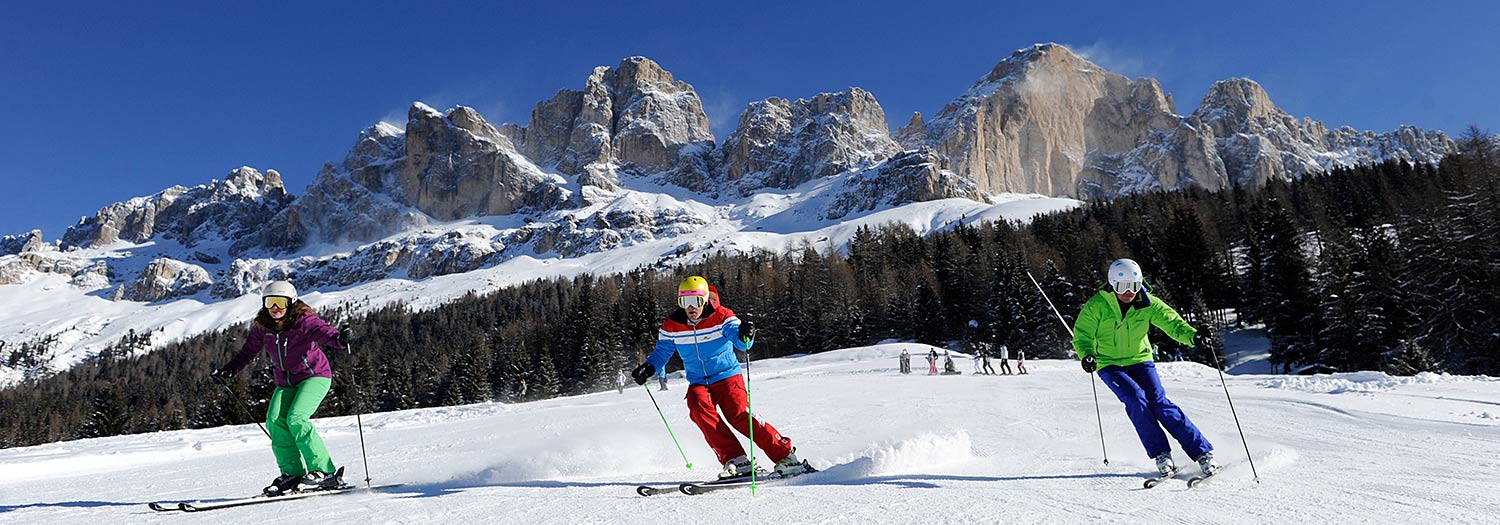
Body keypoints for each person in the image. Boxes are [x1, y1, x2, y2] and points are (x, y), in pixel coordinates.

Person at [631, 276, 811, 480]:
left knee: (738, 413)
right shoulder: (672, 326)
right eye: (685, 302)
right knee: (697, 405)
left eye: (696, 301)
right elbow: (662, 351)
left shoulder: (722, 316)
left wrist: (746, 335)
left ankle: (785, 456)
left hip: (727, 376)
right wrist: (649, 367)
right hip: (699, 380)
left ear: (705, 299)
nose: (691, 308)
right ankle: (737, 460)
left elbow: (742, 343)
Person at [1073, 258, 1220, 478]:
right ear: (1112, 284)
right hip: (1109, 364)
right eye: (1122, 286)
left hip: (1140, 359)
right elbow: (1083, 335)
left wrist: (1194, 336)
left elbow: (1173, 323)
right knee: (1135, 398)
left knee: (1159, 402)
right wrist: (1087, 355)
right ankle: (1161, 454)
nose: (1129, 292)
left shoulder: (1147, 302)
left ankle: (1203, 453)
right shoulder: (1097, 305)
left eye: (1134, 285)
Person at [213, 280, 349, 495]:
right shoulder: (263, 327)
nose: (274, 308)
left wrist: (340, 339)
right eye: (269, 302)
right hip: (286, 382)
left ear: (291, 302)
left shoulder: (303, 320)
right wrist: (230, 370)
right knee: (275, 420)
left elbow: (322, 331)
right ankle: (292, 474)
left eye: (279, 302)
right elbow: (248, 351)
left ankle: (324, 472)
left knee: (297, 418)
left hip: (315, 376)